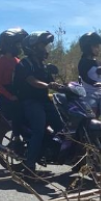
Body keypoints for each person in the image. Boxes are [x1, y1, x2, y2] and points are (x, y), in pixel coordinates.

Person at [12, 31, 64, 175]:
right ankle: (29, 166)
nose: (46, 49)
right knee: (39, 130)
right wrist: (48, 85)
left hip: (44, 100)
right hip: (29, 102)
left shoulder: (43, 65)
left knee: (62, 127)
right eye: (43, 45)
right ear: (33, 47)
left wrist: (62, 86)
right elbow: (32, 81)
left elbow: (50, 81)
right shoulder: (24, 64)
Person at [0, 27, 28, 142]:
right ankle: (17, 137)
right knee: (18, 111)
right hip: (6, 97)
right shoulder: (1, 62)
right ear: (9, 45)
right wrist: (10, 96)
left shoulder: (17, 60)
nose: (19, 47)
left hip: (17, 92)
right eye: (17, 44)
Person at [78, 32, 101, 117]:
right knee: (92, 116)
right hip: (89, 94)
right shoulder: (84, 62)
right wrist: (95, 83)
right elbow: (84, 77)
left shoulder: (99, 62)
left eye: (99, 47)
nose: (98, 49)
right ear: (87, 47)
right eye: (96, 46)